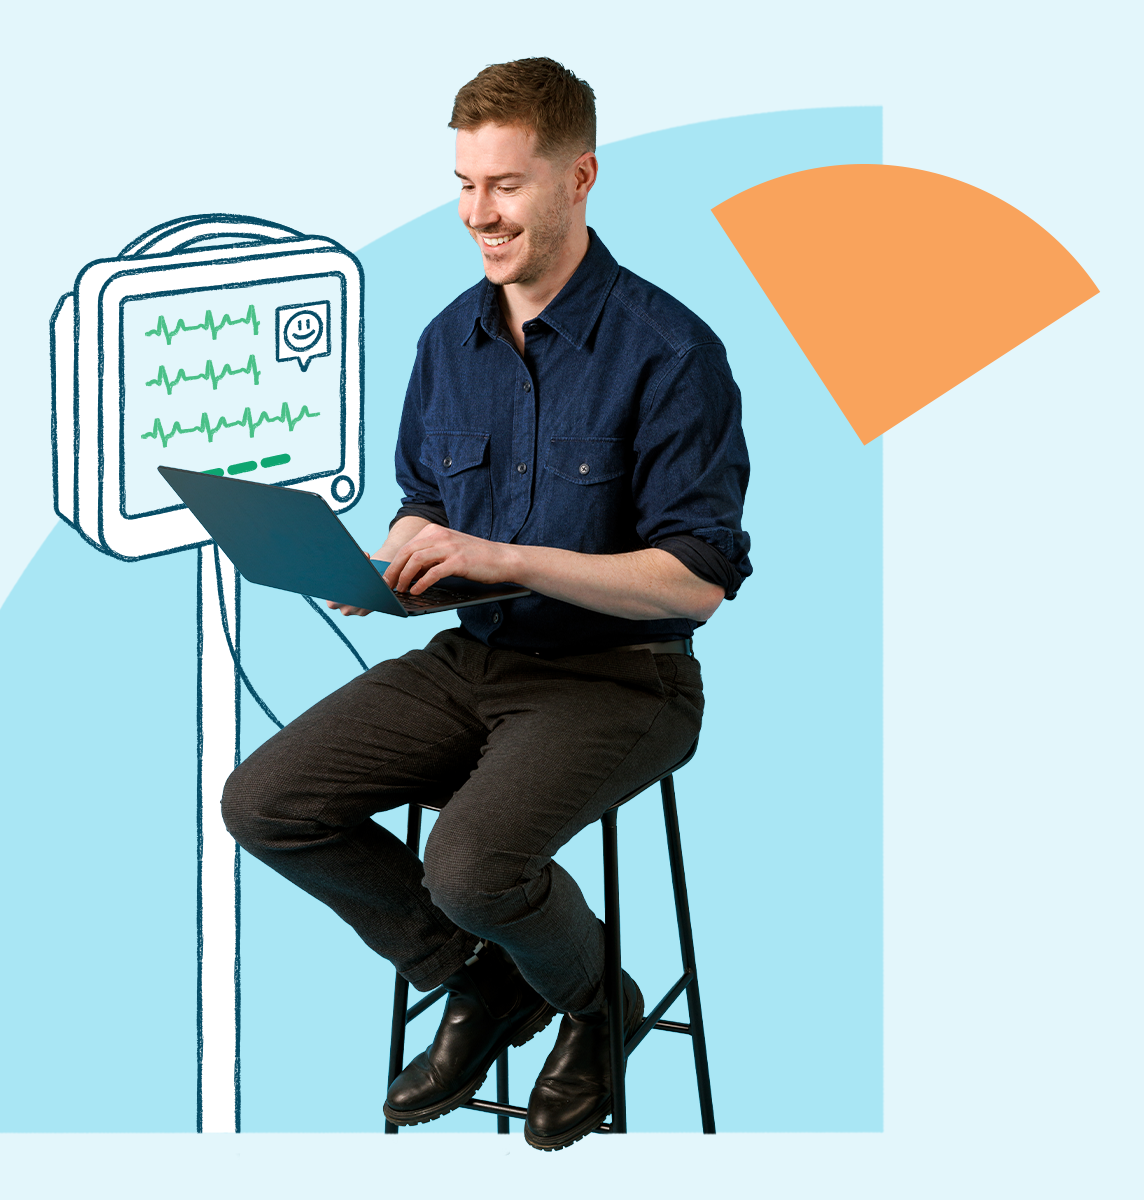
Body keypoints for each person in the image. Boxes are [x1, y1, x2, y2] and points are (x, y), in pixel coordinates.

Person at [220, 57, 751, 1151]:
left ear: (579, 178)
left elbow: (697, 580)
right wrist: (399, 570)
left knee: (470, 863)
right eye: (464, 183)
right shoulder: (446, 344)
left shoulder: (671, 351)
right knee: (264, 802)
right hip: (477, 661)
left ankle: (599, 1007)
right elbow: (434, 510)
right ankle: (483, 977)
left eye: (505, 185)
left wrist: (503, 554)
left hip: (624, 678)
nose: (478, 214)